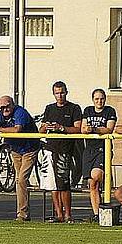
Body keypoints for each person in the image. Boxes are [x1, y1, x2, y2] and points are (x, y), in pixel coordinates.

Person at [0, 95, 39, 221]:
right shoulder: (0, 113)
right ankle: (22, 212)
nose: (5, 109)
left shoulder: (20, 112)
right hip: (15, 149)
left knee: (21, 179)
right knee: (19, 180)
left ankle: (22, 213)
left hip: (29, 148)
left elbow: (17, 130)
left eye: (7, 106)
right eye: (2, 107)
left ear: (13, 105)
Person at [39, 81, 82, 223]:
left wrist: (62, 128)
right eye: (57, 93)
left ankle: (68, 214)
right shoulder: (49, 108)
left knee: (64, 183)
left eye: (62, 92)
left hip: (65, 149)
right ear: (53, 94)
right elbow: (41, 130)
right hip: (50, 148)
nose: (60, 96)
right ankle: (58, 214)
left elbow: (78, 129)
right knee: (52, 184)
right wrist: (46, 127)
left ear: (66, 92)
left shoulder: (74, 108)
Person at [80, 89, 117, 222]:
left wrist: (94, 130)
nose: (99, 101)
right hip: (89, 150)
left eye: (101, 99)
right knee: (92, 184)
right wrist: (87, 130)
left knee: (96, 176)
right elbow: (83, 129)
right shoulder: (88, 110)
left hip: (103, 149)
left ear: (105, 99)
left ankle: (105, 199)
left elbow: (109, 129)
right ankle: (97, 214)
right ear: (93, 100)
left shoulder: (109, 111)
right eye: (97, 99)